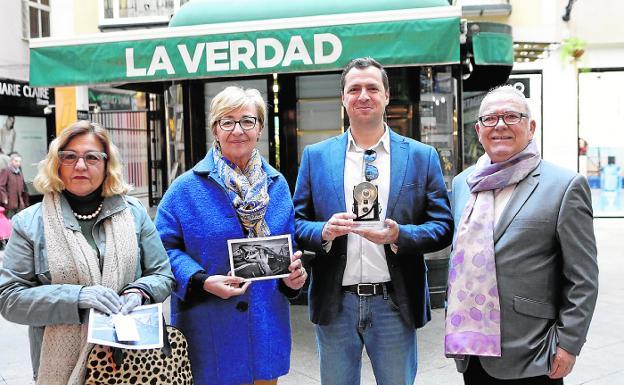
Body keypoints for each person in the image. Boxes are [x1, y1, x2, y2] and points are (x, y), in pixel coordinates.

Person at [293, 57, 453, 385]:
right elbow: (295, 223)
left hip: (394, 303)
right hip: (336, 303)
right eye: (354, 89)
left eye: (372, 88)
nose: (363, 95)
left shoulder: (421, 156)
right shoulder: (316, 156)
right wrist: (323, 230)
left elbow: (443, 226)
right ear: (343, 98)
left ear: (386, 96)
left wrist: (400, 235)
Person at [0, 121, 175, 385]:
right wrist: (78, 296)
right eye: (69, 157)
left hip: (132, 365)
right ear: (56, 163)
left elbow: (162, 274)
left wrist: (139, 291)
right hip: (58, 369)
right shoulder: (30, 223)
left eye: (92, 157)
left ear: (107, 165)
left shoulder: (134, 212)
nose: (80, 166)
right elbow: (9, 299)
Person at [445, 85, 598, 385]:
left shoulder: (565, 185)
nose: (499, 125)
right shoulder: (464, 183)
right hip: (472, 349)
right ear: (478, 130)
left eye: (511, 116)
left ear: (531, 127)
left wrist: (568, 343)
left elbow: (583, 277)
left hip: (533, 351)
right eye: (490, 119)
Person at [155, 86, 307, 385]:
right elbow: (161, 250)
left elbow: (288, 249)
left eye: (247, 121)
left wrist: (293, 280)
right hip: (209, 333)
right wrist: (200, 281)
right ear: (215, 128)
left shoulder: (277, 186)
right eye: (228, 121)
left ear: (260, 127)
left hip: (265, 332)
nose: (238, 130)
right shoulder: (185, 188)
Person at [0, 152, 30, 218]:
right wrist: (4, 199)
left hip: (19, 203)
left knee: (18, 221)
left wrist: (25, 201)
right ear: (11, 161)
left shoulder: (19, 172)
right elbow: (1, 185)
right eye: (16, 161)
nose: (18, 163)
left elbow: (23, 188)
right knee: (9, 220)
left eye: (19, 161)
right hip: (9, 203)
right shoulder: (6, 171)